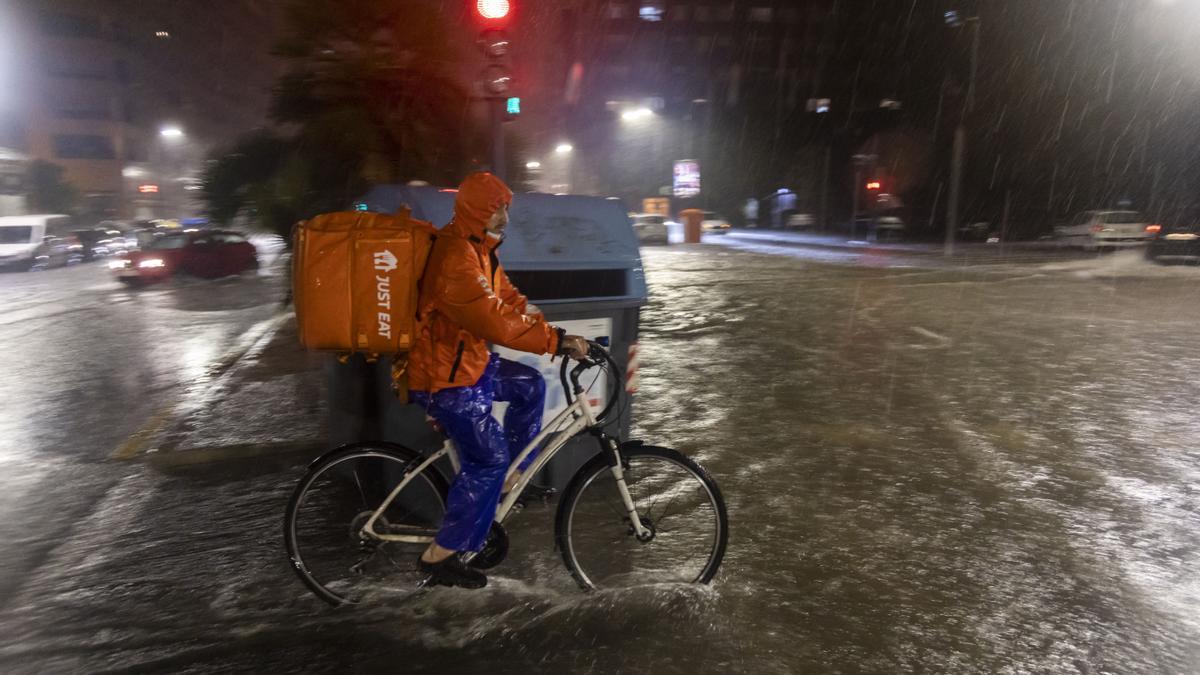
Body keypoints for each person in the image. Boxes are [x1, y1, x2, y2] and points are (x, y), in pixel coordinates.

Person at [407, 172, 588, 589]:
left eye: (506, 207)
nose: (505, 216)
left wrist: (552, 331)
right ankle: (441, 555)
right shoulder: (455, 257)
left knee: (530, 386)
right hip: (445, 380)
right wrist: (554, 343)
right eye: (497, 208)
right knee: (486, 459)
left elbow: (507, 299)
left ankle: (511, 478)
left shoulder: (479, 250)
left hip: (468, 366)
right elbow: (494, 322)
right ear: (476, 210)